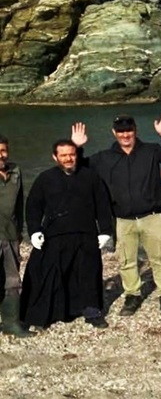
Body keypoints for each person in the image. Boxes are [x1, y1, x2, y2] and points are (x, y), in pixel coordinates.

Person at [71, 114, 161, 317]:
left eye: (128, 130)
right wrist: (77, 147)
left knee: (159, 258)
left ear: (135, 130)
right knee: (126, 260)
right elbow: (78, 169)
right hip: (121, 219)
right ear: (114, 133)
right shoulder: (103, 157)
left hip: (152, 216)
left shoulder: (152, 151)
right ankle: (132, 294)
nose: (125, 135)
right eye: (120, 131)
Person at [20, 139, 114, 330]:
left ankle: (92, 311)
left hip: (86, 234)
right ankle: (47, 313)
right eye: (63, 155)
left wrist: (105, 231)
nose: (68, 158)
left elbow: (103, 205)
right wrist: (35, 230)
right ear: (55, 157)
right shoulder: (45, 179)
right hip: (55, 234)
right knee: (48, 274)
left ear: (76, 155)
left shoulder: (91, 177)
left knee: (88, 274)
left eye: (71, 154)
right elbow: (33, 207)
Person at [0, 134, 31, 337]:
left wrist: (20, 231)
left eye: (3, 150)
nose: (1, 155)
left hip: (10, 235)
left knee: (12, 281)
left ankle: (11, 323)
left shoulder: (16, 171)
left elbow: (19, 205)